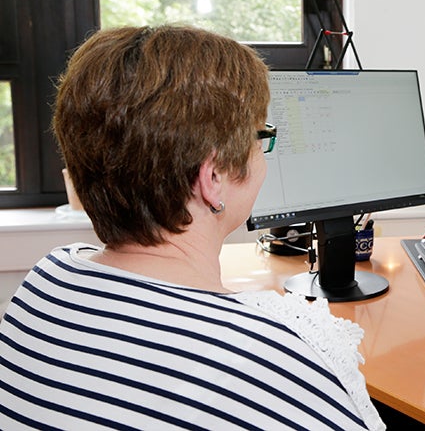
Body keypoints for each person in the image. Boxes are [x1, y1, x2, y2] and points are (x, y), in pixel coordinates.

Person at [0, 26, 385, 430]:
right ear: (213, 176)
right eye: (261, 137)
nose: (264, 154)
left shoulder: (46, 279)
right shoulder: (271, 358)